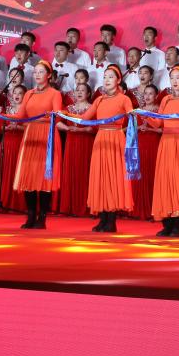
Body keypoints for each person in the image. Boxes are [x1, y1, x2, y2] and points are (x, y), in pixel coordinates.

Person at [77, 65, 134, 232]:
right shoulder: (99, 100)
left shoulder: (124, 99)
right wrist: (62, 114)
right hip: (101, 139)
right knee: (101, 177)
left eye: (111, 77)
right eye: (105, 77)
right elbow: (84, 118)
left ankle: (111, 220)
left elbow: (132, 117)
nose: (107, 80)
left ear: (118, 80)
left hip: (116, 139)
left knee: (114, 178)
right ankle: (102, 218)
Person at [147, 65, 179, 237]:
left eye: (178, 77)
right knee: (166, 180)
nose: (175, 81)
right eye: (172, 78)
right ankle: (166, 223)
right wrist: (145, 114)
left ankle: (178, 224)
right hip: (166, 142)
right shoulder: (165, 100)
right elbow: (158, 123)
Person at [13, 60, 64, 229]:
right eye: (35, 72)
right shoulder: (29, 93)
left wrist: (51, 115)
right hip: (31, 135)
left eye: (41, 72)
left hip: (47, 135)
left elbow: (57, 115)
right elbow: (20, 116)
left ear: (48, 75)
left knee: (44, 178)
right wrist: (0, 116)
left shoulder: (55, 93)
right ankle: (30, 215)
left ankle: (42, 216)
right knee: (29, 176)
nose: (37, 75)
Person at [56, 83, 94, 218]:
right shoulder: (68, 108)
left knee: (85, 171)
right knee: (71, 170)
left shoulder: (92, 108)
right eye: (77, 90)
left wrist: (81, 130)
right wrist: (68, 128)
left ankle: (86, 206)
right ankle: (69, 206)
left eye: (83, 90)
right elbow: (57, 122)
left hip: (86, 143)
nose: (79, 92)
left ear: (88, 94)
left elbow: (94, 127)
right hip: (71, 142)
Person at [131, 84, 162, 220]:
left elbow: (163, 129)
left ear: (156, 96)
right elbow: (130, 129)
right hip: (140, 145)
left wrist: (149, 129)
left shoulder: (159, 110)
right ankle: (138, 209)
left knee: (152, 174)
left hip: (154, 144)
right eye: (145, 93)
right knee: (140, 175)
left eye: (150, 93)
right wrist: (137, 129)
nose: (147, 96)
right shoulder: (138, 111)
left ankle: (152, 210)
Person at [0, 84, 27, 213]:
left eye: (20, 93)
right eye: (15, 93)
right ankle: (4, 201)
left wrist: (18, 127)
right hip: (7, 143)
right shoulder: (6, 110)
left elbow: (30, 126)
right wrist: (5, 127)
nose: (17, 95)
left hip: (21, 143)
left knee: (19, 172)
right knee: (6, 171)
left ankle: (19, 204)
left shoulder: (27, 110)